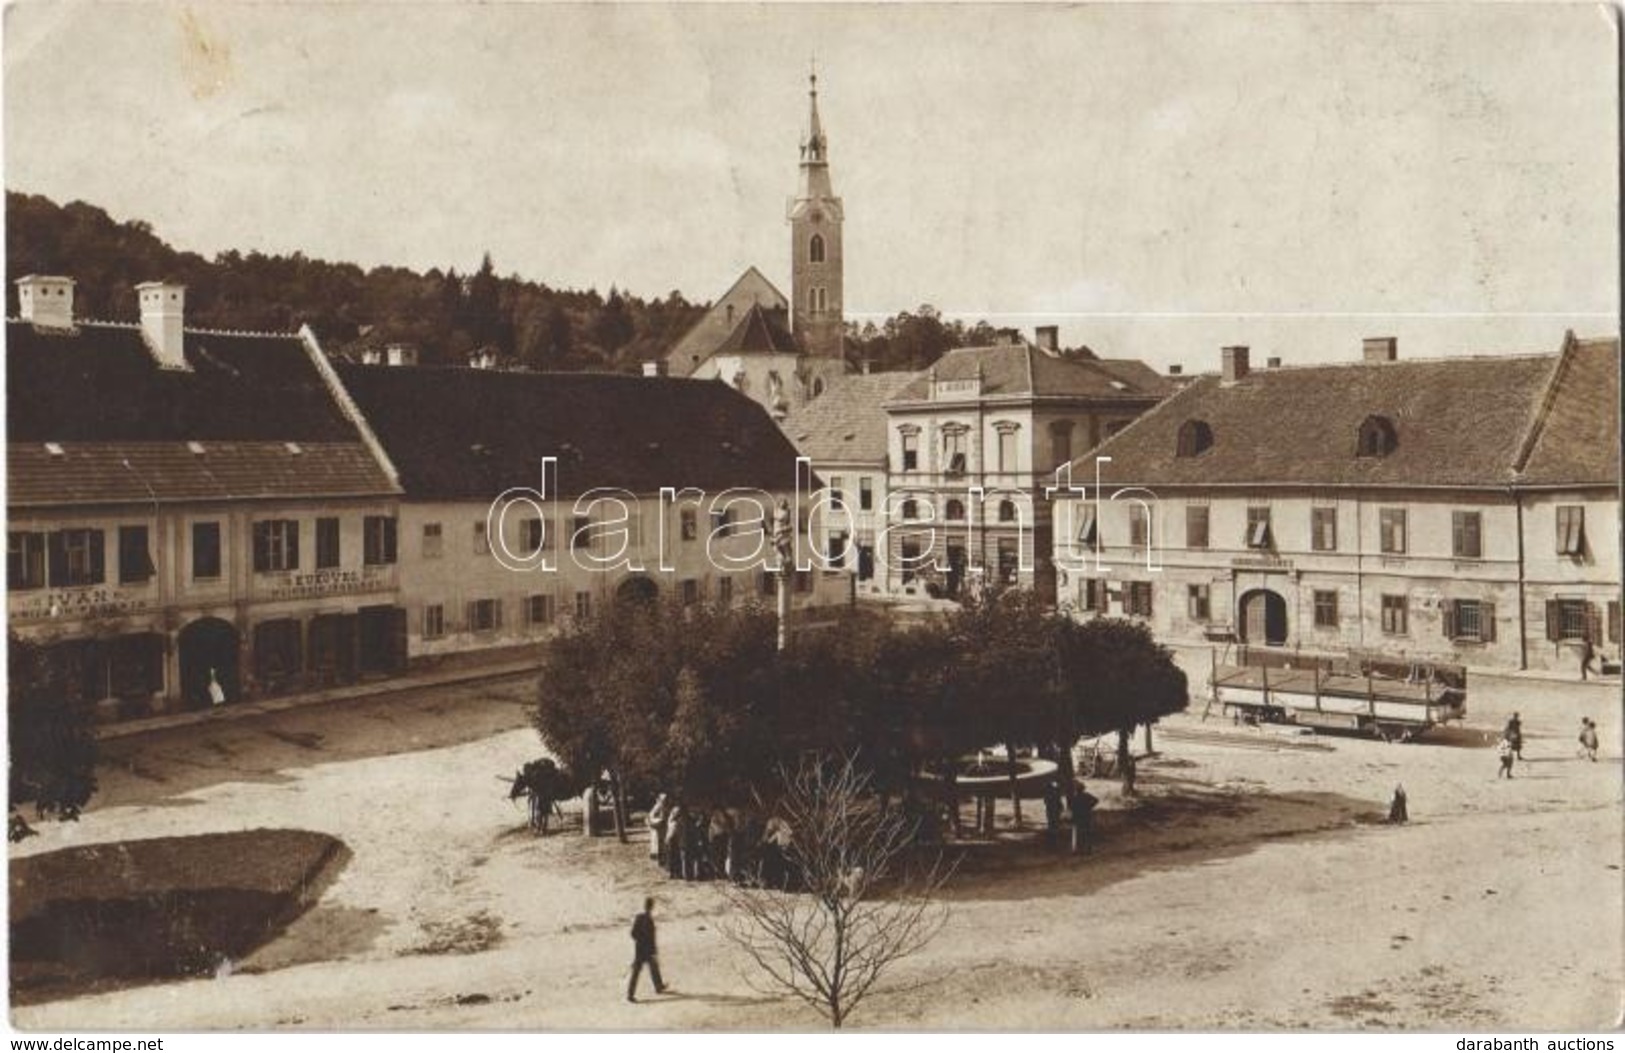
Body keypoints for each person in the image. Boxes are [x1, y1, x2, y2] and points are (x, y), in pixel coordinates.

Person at [626, 897, 667, 1002]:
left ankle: (657, 987)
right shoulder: (646, 919)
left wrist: (640, 942)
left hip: (641, 949)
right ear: (651, 906)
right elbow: (647, 937)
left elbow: (633, 934)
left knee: (648, 969)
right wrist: (651, 948)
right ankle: (631, 995)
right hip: (645, 950)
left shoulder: (640, 917)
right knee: (641, 970)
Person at [1068, 781, 1099, 855]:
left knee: (1078, 834)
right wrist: (1090, 806)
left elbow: (1071, 807)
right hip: (1086, 816)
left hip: (1078, 817)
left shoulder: (1075, 798)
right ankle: (1088, 849)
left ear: (1076, 790)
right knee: (1088, 833)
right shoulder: (1087, 795)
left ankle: (1077, 849)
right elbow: (1096, 800)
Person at [647, 794, 669, 864]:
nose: (664, 801)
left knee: (663, 844)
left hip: (664, 828)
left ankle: (664, 859)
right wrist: (659, 820)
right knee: (659, 844)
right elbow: (650, 817)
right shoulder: (657, 807)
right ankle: (660, 860)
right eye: (663, 799)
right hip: (658, 829)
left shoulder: (665, 807)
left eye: (665, 799)